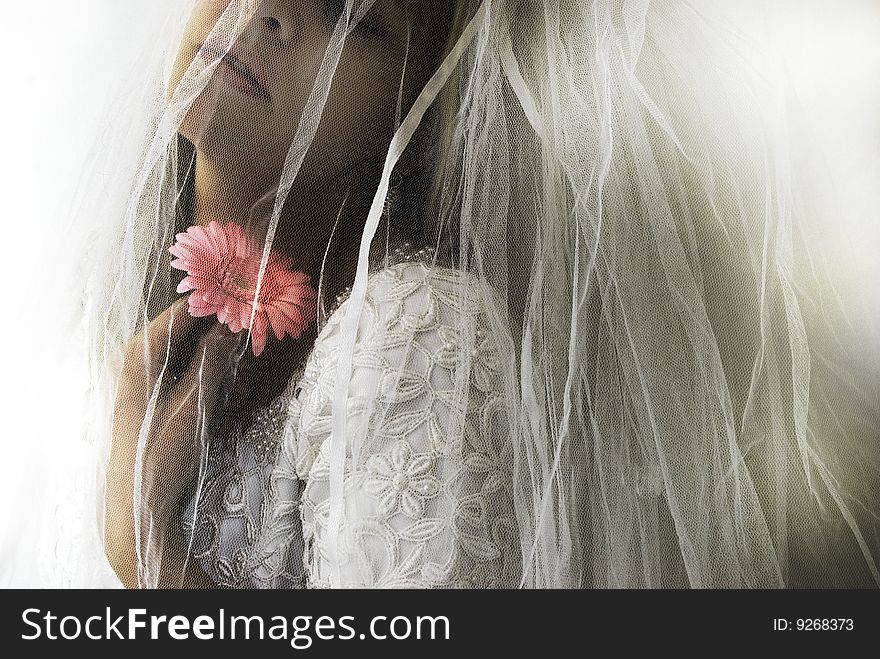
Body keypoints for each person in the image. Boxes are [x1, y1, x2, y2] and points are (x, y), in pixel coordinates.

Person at [86, 0, 880, 588]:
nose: (269, 12)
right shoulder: (118, 317)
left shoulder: (410, 332)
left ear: (417, 121)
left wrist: (145, 548)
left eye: (354, 19)